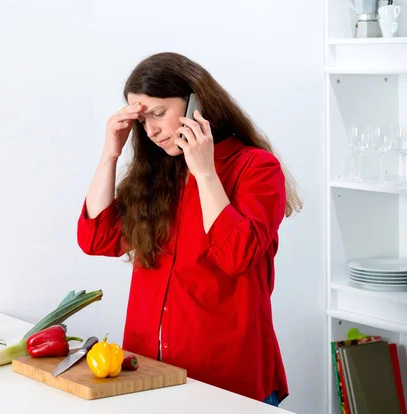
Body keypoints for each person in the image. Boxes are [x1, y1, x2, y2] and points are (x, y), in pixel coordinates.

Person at [76, 52, 302, 407]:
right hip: (148, 374)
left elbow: (236, 256)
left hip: (228, 379)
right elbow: (96, 238)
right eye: (142, 120)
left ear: (197, 103)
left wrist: (205, 173)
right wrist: (110, 154)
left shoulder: (256, 168)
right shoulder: (156, 176)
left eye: (158, 114)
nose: (150, 130)